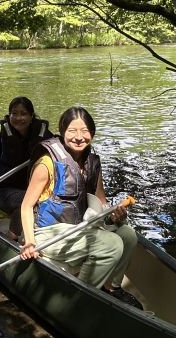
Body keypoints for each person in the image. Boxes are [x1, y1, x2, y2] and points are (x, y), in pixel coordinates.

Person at [19, 106, 141, 307]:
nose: (79, 137)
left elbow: (101, 204)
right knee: (110, 244)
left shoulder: (92, 163)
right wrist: (30, 243)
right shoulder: (47, 163)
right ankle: (79, 299)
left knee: (127, 234)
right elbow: (26, 206)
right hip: (47, 233)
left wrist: (113, 215)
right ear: (62, 131)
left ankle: (111, 287)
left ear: (92, 133)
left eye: (84, 131)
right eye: (72, 131)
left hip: (78, 228)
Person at [0, 97, 52, 242]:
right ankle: (14, 238)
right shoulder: (0, 139)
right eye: (14, 113)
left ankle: (16, 235)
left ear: (31, 116)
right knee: (30, 200)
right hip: (5, 191)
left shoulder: (45, 137)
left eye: (23, 114)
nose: (18, 118)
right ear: (9, 115)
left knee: (40, 199)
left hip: (36, 189)